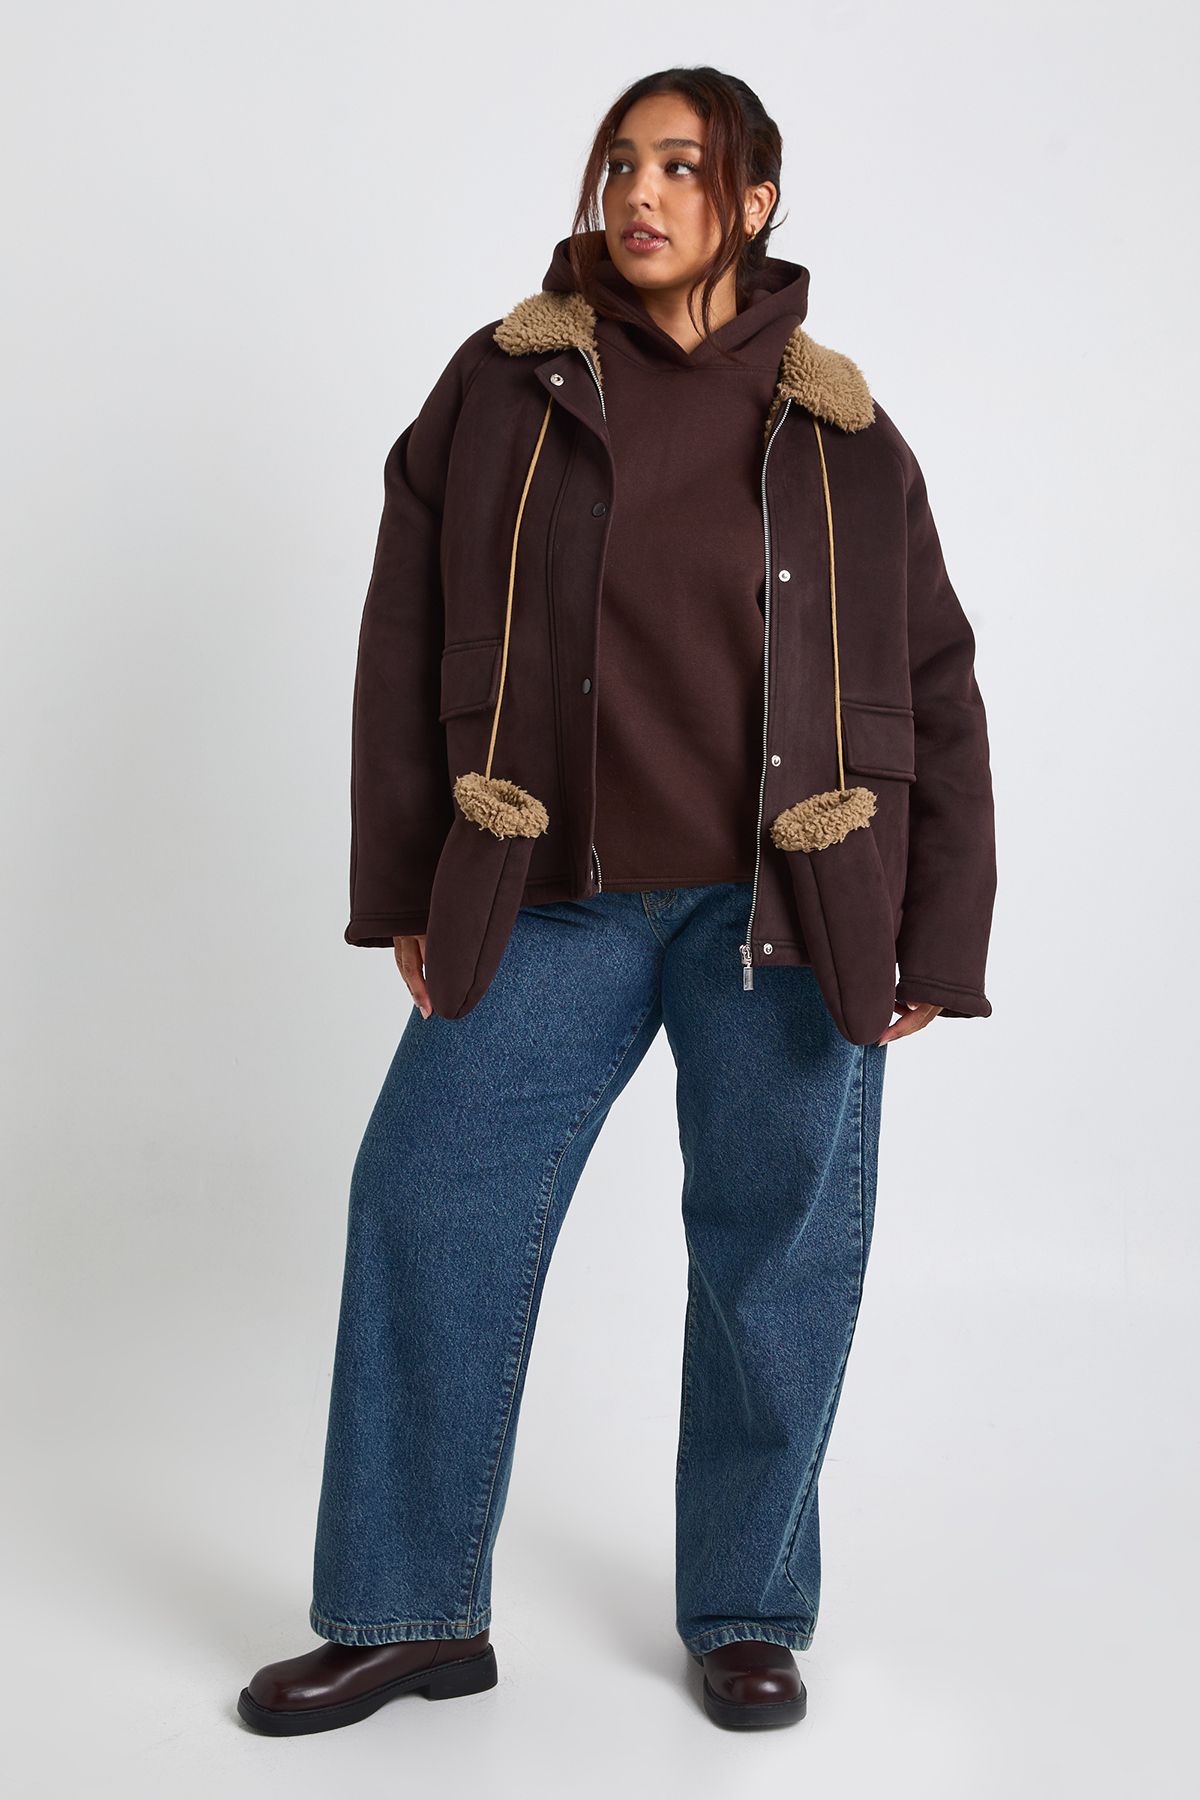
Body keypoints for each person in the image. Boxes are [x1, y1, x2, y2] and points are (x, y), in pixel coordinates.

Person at [238, 65, 996, 1737]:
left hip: (786, 912)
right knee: (426, 1202)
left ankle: (748, 1609)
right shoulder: (503, 385)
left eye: (682, 167)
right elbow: (401, 632)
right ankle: (409, 1613)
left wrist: (937, 934)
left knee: (775, 1265)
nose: (640, 195)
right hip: (548, 893)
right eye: (622, 165)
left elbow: (936, 681)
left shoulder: (847, 435)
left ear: (755, 199)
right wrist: (403, 883)